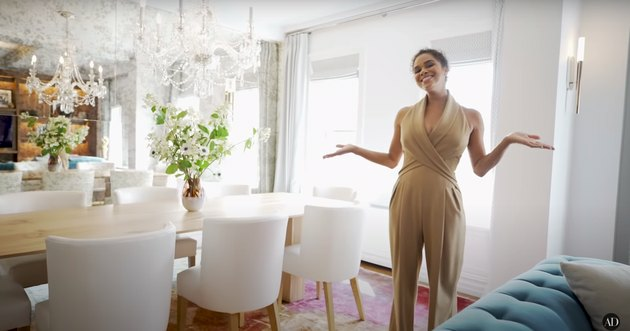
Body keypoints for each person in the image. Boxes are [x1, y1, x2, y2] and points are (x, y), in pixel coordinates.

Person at [323, 48, 554, 330]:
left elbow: (479, 167)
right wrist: (355, 149)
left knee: (443, 281)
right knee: (403, 277)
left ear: (446, 69)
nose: (423, 72)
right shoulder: (404, 115)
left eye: (429, 65)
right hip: (405, 197)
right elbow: (391, 159)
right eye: (417, 70)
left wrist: (507, 141)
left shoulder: (471, 117)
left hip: (445, 201)